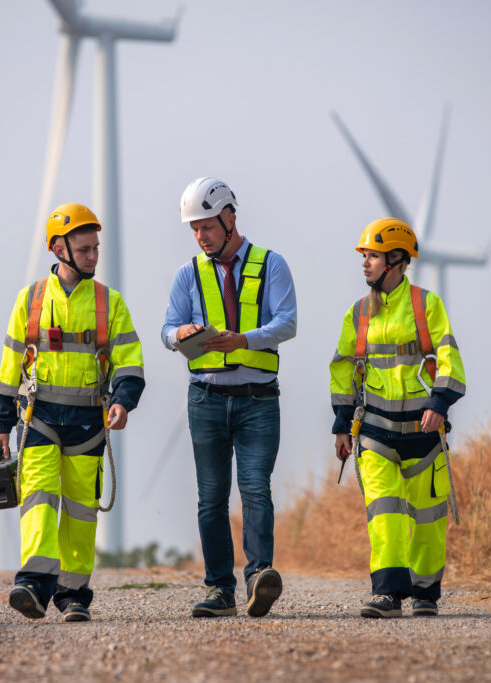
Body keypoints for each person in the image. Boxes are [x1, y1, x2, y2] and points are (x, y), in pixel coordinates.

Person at [0, 202, 144, 622]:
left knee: (80, 510)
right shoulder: (31, 299)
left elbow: (130, 362)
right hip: (37, 418)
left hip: (88, 424)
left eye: (96, 248)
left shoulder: (109, 303)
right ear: (60, 249)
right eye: (85, 249)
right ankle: (33, 585)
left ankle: (73, 594)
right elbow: (9, 366)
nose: (94, 256)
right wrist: (1, 425)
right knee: (38, 499)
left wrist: (122, 401)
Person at [162, 177, 297, 618]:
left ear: (229, 217)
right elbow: (167, 328)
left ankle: (259, 577)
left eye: (206, 226)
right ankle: (220, 591)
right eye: (194, 229)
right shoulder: (188, 274)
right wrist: (176, 334)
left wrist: (244, 341)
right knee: (211, 497)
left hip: (258, 399)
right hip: (205, 399)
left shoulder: (271, 264)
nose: (200, 236)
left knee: (255, 489)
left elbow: (287, 323)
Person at [329, 218, 466, 618]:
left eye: (371, 256)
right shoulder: (357, 314)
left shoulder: (427, 305)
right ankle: (387, 594)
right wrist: (341, 425)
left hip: (424, 434)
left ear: (397, 260)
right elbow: (342, 369)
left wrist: (439, 403)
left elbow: (449, 357)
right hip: (374, 433)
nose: (365, 264)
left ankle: (425, 592)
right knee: (384, 511)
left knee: (428, 518)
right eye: (365, 256)